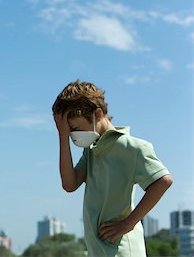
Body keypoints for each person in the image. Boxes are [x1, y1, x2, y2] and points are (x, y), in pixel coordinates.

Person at [52, 80, 173, 256]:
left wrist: (128, 223)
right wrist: (62, 137)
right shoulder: (91, 151)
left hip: (122, 250)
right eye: (69, 132)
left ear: (98, 114)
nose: (72, 135)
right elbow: (69, 184)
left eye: (75, 129)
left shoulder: (132, 147)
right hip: (99, 251)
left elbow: (163, 181)